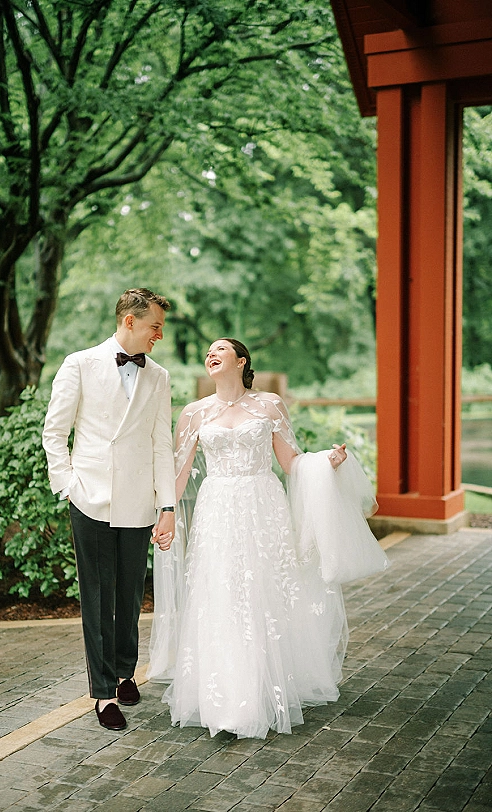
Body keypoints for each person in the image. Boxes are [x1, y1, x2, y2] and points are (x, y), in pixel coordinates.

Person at [148, 338, 389, 740]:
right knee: (221, 593)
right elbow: (179, 471)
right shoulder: (193, 414)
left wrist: (326, 464)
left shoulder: (269, 404)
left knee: (263, 589)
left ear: (241, 361)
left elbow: (291, 461)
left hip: (262, 504)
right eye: (208, 350)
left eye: (220, 349)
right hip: (218, 506)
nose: (211, 354)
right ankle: (225, 696)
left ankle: (266, 688)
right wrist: (166, 514)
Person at [42, 288, 176, 732]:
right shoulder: (79, 364)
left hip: (138, 502)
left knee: (130, 596)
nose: (159, 334)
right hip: (91, 498)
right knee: (98, 599)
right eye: (155, 325)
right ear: (130, 322)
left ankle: (124, 673)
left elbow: (161, 444)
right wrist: (68, 487)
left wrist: (167, 506)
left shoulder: (158, 376)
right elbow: (54, 432)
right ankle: (102, 695)